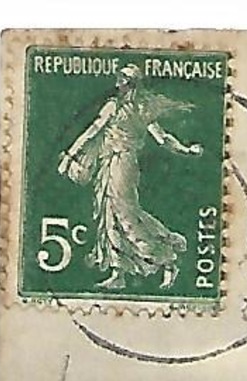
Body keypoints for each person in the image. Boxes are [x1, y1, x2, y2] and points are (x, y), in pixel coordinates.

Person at [57, 64, 205, 290]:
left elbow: (94, 131)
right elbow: (161, 137)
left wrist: (69, 155)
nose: (118, 81)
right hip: (111, 163)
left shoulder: (122, 108)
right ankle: (119, 273)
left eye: (122, 78)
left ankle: (167, 259)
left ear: (130, 83)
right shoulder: (135, 109)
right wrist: (185, 150)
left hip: (121, 164)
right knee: (110, 215)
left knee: (124, 214)